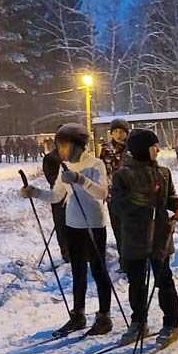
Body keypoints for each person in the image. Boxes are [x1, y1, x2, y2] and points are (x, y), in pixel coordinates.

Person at [20, 124, 113, 337]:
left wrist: (80, 179)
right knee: (77, 271)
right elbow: (56, 196)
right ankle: (78, 315)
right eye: (59, 146)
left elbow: (101, 193)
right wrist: (34, 192)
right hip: (72, 224)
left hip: (93, 223)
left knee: (98, 271)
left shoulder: (95, 164)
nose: (60, 151)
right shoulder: (64, 168)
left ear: (77, 145)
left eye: (63, 146)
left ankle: (104, 316)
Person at [111, 129, 178, 348]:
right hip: (134, 237)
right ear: (143, 149)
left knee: (164, 281)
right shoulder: (123, 174)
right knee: (137, 283)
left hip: (160, 236)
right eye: (154, 146)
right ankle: (138, 322)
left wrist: (177, 205)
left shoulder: (163, 173)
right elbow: (116, 205)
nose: (158, 149)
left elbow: (169, 197)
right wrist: (141, 200)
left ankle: (171, 323)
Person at [100, 118, 131, 272]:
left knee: (130, 229)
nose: (119, 134)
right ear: (111, 133)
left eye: (122, 132)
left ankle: (133, 260)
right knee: (118, 228)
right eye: (116, 131)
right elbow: (102, 171)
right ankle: (124, 261)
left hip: (130, 195)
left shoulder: (131, 148)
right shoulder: (105, 149)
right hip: (113, 195)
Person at [42, 130, 71, 265]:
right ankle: (66, 254)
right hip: (59, 198)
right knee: (62, 226)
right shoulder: (50, 159)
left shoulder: (76, 157)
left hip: (76, 198)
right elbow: (52, 179)